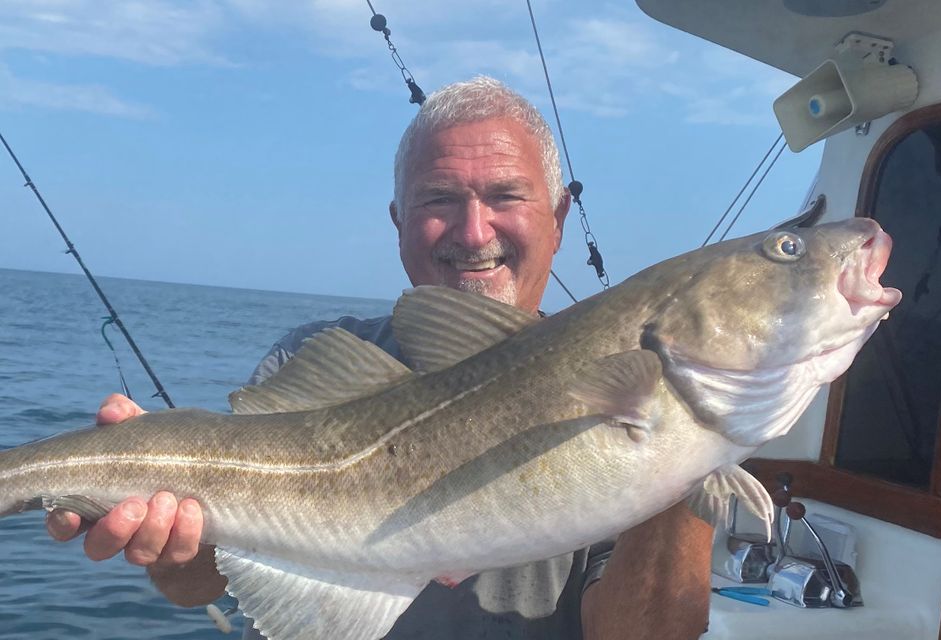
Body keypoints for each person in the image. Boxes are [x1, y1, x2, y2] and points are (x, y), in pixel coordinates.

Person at [46, 77, 713, 639]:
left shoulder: (631, 382)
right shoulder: (314, 357)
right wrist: (166, 539)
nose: (473, 232)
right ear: (398, 220)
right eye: (438, 200)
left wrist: (685, 454)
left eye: (505, 196)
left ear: (560, 218)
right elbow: (199, 581)